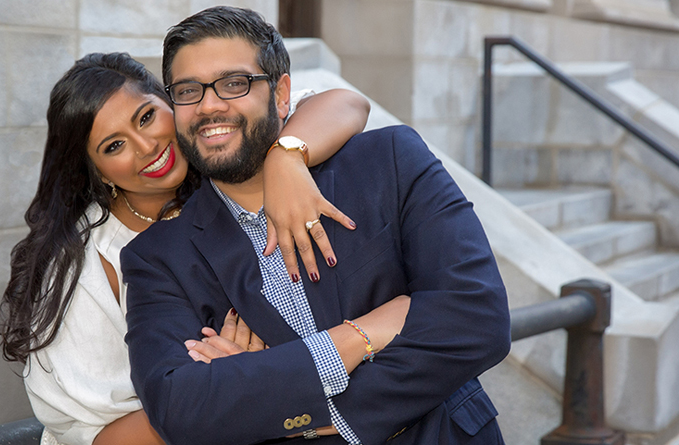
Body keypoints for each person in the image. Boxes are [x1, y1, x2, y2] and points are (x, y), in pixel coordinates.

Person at [121, 6, 511, 445]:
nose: (210, 105)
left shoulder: (390, 162)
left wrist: (281, 391)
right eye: (188, 91)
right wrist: (361, 336)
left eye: (234, 83)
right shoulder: (157, 258)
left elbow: (478, 319)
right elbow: (180, 407)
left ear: (282, 93)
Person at [0, 50, 371, 445]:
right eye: (113, 146)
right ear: (96, 170)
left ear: (171, 102)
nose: (145, 146)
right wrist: (246, 387)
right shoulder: (86, 265)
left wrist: (286, 157)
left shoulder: (223, 151)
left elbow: (347, 103)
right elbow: (100, 437)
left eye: (145, 117)